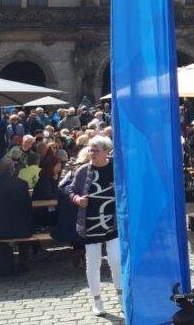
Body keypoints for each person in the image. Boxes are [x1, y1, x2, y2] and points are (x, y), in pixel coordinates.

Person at [65, 136, 120, 317]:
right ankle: (97, 300)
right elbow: (69, 189)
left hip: (113, 224)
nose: (92, 153)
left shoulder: (116, 168)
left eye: (96, 150)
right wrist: (77, 199)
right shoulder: (83, 170)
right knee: (93, 264)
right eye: (90, 149)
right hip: (90, 224)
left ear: (106, 151)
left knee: (116, 261)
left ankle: (122, 297)